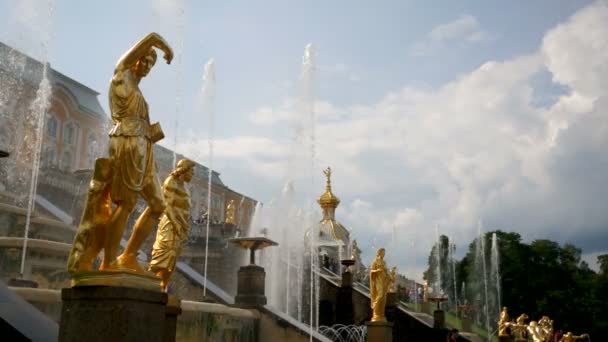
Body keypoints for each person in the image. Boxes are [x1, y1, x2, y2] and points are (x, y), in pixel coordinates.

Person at [101, 32, 173, 272]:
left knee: (158, 204)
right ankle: (108, 262)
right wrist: (162, 45)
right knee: (127, 202)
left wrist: (152, 133)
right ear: (134, 59)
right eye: (145, 60)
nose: (148, 66)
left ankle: (128, 255)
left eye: (152, 63)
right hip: (127, 143)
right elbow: (150, 37)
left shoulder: (139, 93)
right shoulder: (121, 76)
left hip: (144, 146)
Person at [149, 159, 195, 290]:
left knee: (172, 260)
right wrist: (175, 223)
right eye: (191, 171)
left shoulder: (183, 186)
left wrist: (184, 225)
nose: (192, 175)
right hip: (170, 224)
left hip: (180, 225)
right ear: (184, 170)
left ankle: (162, 288)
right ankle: (147, 284)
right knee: (164, 256)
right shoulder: (171, 182)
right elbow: (167, 206)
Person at [369, 248, 390, 321]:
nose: (384, 254)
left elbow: (386, 271)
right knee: (380, 295)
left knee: (383, 298)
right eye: (383, 252)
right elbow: (371, 271)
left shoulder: (384, 262)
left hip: (384, 281)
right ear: (379, 253)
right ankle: (375, 305)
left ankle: (380, 314)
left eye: (384, 253)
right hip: (378, 281)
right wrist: (377, 270)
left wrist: (389, 276)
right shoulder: (375, 261)